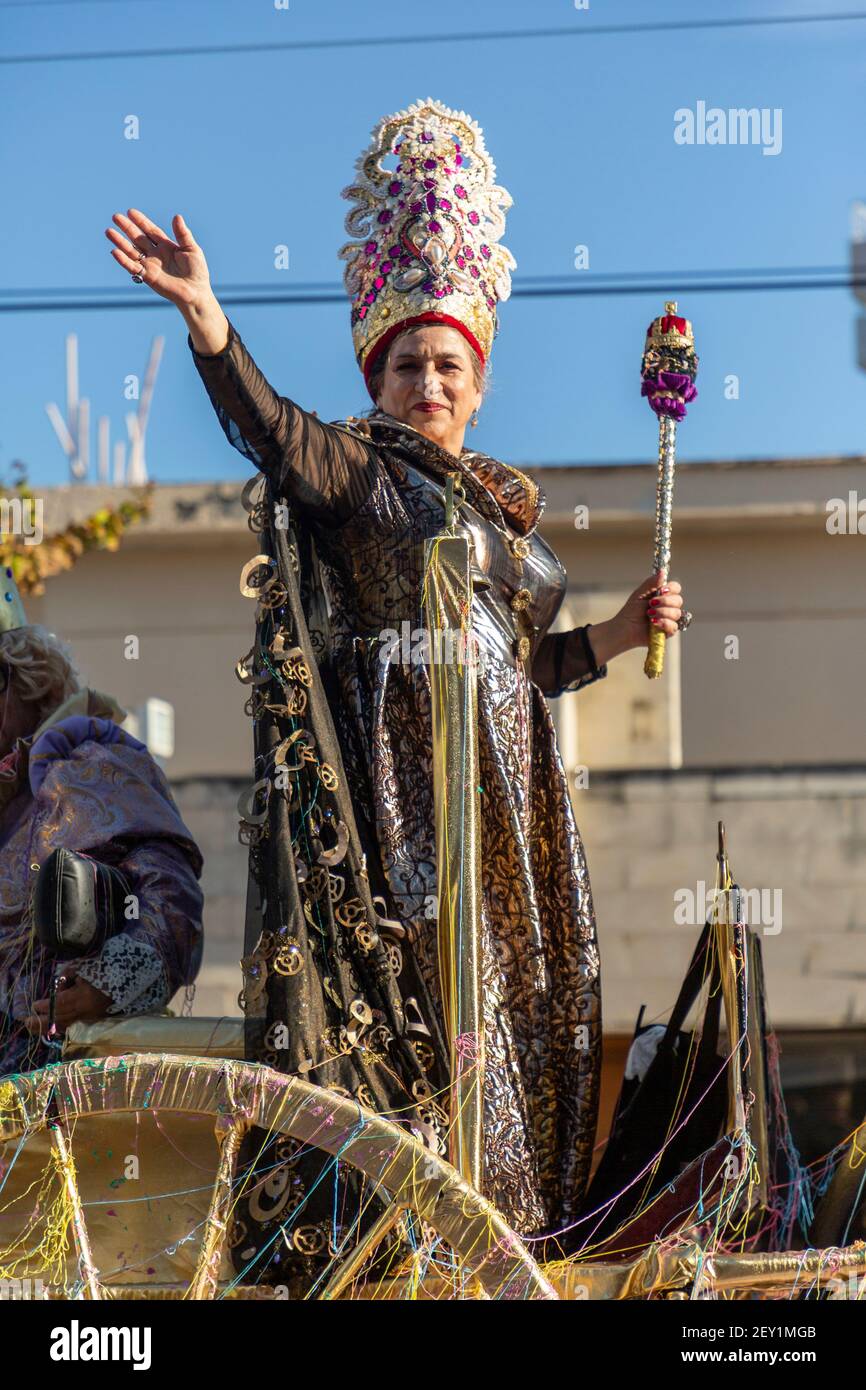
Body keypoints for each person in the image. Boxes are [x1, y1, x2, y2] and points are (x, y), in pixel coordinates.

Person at [105, 98, 687, 1252]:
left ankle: (522, 1247)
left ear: (476, 384)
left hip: (515, 829)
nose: (428, 381)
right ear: (379, 379)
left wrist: (615, 636)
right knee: (430, 1049)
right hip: (407, 829)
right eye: (407, 363)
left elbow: (518, 668)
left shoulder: (507, 523)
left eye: (446, 365)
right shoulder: (369, 481)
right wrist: (212, 323)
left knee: (534, 1034)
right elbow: (272, 430)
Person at [0, 595, 204, 1077]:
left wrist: (103, 985)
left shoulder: (94, 766)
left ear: (33, 682)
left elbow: (170, 894)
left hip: (59, 1072)